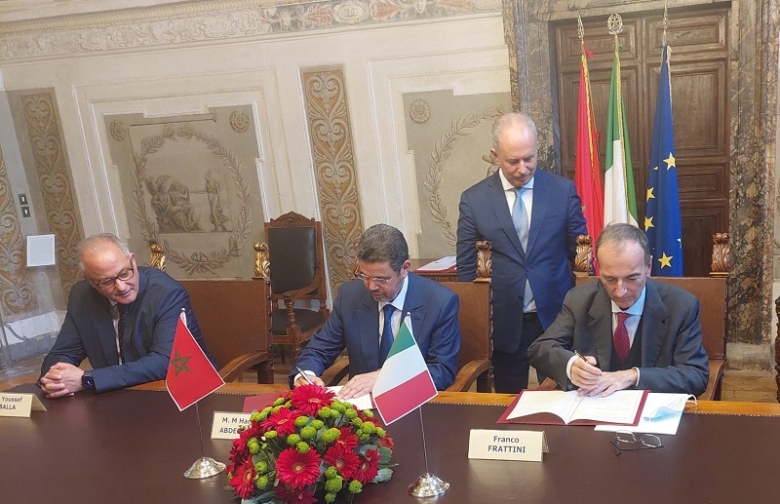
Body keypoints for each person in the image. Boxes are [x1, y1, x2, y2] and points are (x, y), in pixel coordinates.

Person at [457, 112, 587, 393]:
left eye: (529, 158)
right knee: (509, 399)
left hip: (556, 315)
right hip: (504, 319)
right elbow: (467, 269)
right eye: (512, 161)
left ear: (537, 149)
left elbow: (580, 256)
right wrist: (477, 323)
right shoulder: (474, 200)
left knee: (561, 397)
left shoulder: (562, 191)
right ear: (495, 155)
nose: (522, 168)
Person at [528, 223, 709, 397]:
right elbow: (540, 348)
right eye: (610, 279)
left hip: (652, 409)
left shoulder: (681, 306)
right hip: (593, 406)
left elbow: (696, 375)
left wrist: (633, 376)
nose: (620, 291)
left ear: (648, 266)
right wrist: (571, 365)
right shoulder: (579, 300)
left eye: (631, 278)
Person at [291, 224, 461, 397]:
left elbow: (441, 371)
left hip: (413, 401)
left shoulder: (439, 302)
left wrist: (386, 378)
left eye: (381, 279)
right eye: (365, 276)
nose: (371, 286)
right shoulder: (349, 297)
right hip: (360, 404)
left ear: (404, 269)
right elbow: (319, 349)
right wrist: (306, 375)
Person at [39, 233, 213, 398]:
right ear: (90, 280)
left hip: (174, 392)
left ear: (133, 261)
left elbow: (166, 362)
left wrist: (89, 379)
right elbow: (64, 352)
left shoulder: (167, 293)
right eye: (107, 281)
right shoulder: (81, 296)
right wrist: (56, 379)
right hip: (116, 395)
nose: (121, 287)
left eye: (124, 273)